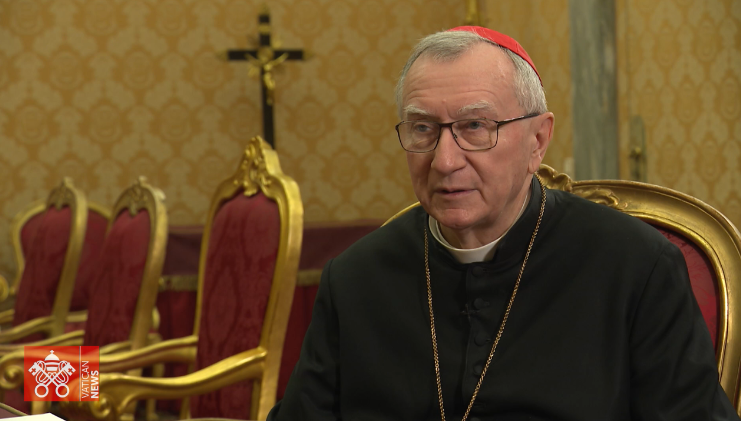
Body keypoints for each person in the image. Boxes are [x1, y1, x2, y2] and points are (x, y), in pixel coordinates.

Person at [268, 26, 739, 420]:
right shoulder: (354, 278)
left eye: (475, 127)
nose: (444, 161)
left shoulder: (635, 267)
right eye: (423, 128)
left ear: (538, 140)